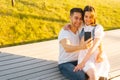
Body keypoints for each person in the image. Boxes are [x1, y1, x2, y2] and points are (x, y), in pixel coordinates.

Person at [73, 5, 110, 80]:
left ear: (94, 17)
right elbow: (72, 23)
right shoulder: (81, 26)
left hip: (96, 57)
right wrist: (67, 25)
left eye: (91, 17)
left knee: (100, 77)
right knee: (93, 76)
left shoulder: (98, 28)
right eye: (86, 16)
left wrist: (101, 52)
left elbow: (96, 44)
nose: (88, 19)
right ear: (83, 16)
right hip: (84, 56)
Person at [58, 8, 92, 80]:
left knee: (95, 71)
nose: (78, 21)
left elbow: (91, 23)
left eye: (80, 19)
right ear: (70, 17)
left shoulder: (81, 28)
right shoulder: (64, 32)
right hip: (66, 63)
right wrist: (81, 47)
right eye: (76, 18)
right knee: (81, 76)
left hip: (79, 60)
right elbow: (67, 48)